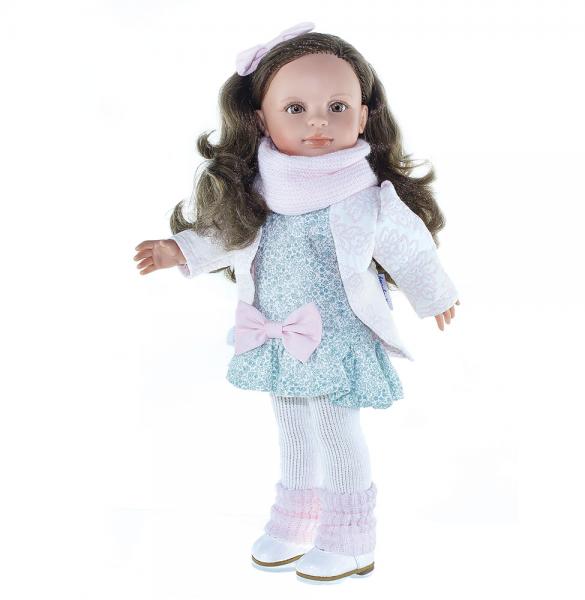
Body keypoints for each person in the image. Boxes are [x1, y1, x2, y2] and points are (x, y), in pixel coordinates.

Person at [133, 22, 460, 582]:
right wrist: (179, 250)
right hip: (276, 331)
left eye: (337, 106)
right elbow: (227, 234)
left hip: (337, 337)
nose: (317, 121)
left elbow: (409, 245)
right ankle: (296, 520)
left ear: (363, 116)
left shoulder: (366, 197)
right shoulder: (258, 194)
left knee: (335, 428)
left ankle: (350, 537)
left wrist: (435, 295)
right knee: (291, 426)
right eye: (296, 108)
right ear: (261, 119)